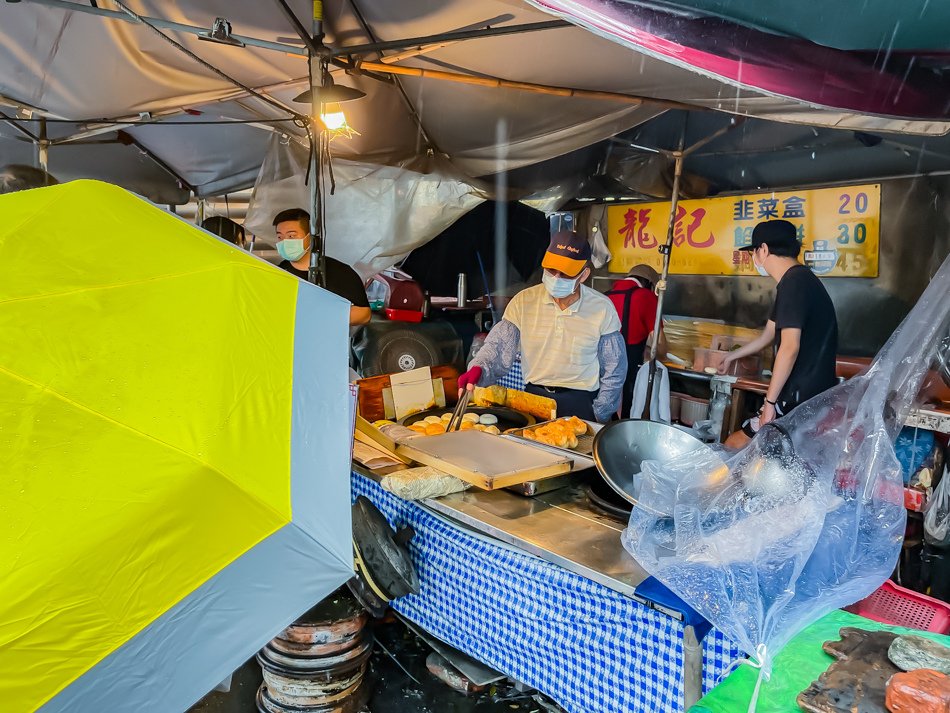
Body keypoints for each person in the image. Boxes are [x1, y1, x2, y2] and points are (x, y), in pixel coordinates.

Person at [457, 231, 627, 422]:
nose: (556, 277)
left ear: (584, 274)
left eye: (565, 273)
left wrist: (600, 411)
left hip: (580, 403)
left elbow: (614, 368)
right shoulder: (524, 302)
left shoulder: (602, 308)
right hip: (534, 400)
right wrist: (479, 368)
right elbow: (497, 347)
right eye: (551, 270)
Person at [720, 219, 838, 447]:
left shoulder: (794, 283)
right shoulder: (798, 280)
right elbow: (768, 335)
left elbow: (790, 346)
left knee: (735, 445)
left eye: (754, 252)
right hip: (809, 395)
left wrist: (770, 403)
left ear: (763, 250)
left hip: (798, 396)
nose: (754, 259)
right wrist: (730, 357)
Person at [272, 208, 371, 327]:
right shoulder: (276, 274)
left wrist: (321, 316)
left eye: (291, 236)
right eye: (280, 237)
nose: (285, 242)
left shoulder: (340, 272)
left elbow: (364, 314)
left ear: (310, 237)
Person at [607, 264, 667, 419]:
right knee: (627, 418)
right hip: (628, 375)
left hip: (602, 375)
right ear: (650, 284)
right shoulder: (646, 297)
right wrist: (659, 353)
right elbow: (659, 345)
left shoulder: (604, 296)